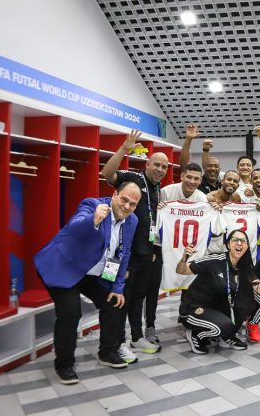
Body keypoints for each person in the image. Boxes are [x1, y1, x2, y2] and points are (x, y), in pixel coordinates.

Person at [34, 182, 141, 384]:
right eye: (124, 200)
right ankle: (64, 364)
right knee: (71, 311)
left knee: (114, 302)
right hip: (63, 266)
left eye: (133, 204)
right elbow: (74, 226)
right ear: (115, 194)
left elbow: (123, 253)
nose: (127, 207)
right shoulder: (93, 205)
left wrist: (117, 287)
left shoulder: (132, 220)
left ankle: (107, 352)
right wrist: (93, 219)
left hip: (92, 272)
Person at [100, 129, 168, 355]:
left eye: (164, 167)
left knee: (138, 297)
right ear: (147, 165)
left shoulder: (158, 189)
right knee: (119, 298)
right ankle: (116, 342)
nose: (160, 170)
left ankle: (136, 337)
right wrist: (124, 149)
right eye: (156, 165)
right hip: (123, 252)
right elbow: (107, 174)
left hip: (146, 253)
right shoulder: (134, 178)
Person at [176, 229, 260, 350]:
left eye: (243, 241)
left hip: (217, 307)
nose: (239, 243)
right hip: (194, 308)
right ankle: (197, 334)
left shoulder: (244, 267)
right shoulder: (214, 260)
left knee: (248, 301)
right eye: (235, 240)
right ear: (228, 244)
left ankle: (226, 335)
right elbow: (181, 270)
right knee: (224, 326)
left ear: (246, 246)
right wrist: (184, 258)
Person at [178, 124, 223, 194]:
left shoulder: (222, 185)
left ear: (220, 169)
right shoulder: (197, 183)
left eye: (216, 166)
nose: (213, 168)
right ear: (204, 168)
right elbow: (184, 165)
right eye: (210, 166)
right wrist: (188, 139)